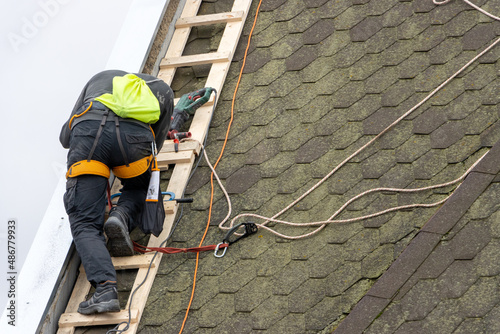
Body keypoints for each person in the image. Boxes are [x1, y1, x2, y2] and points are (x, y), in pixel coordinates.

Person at [59, 69, 174, 315]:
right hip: (134, 139)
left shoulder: (101, 77)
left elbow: (65, 138)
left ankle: (105, 289)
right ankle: (121, 216)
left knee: (84, 221)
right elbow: (156, 146)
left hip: (88, 135)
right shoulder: (163, 90)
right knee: (142, 188)